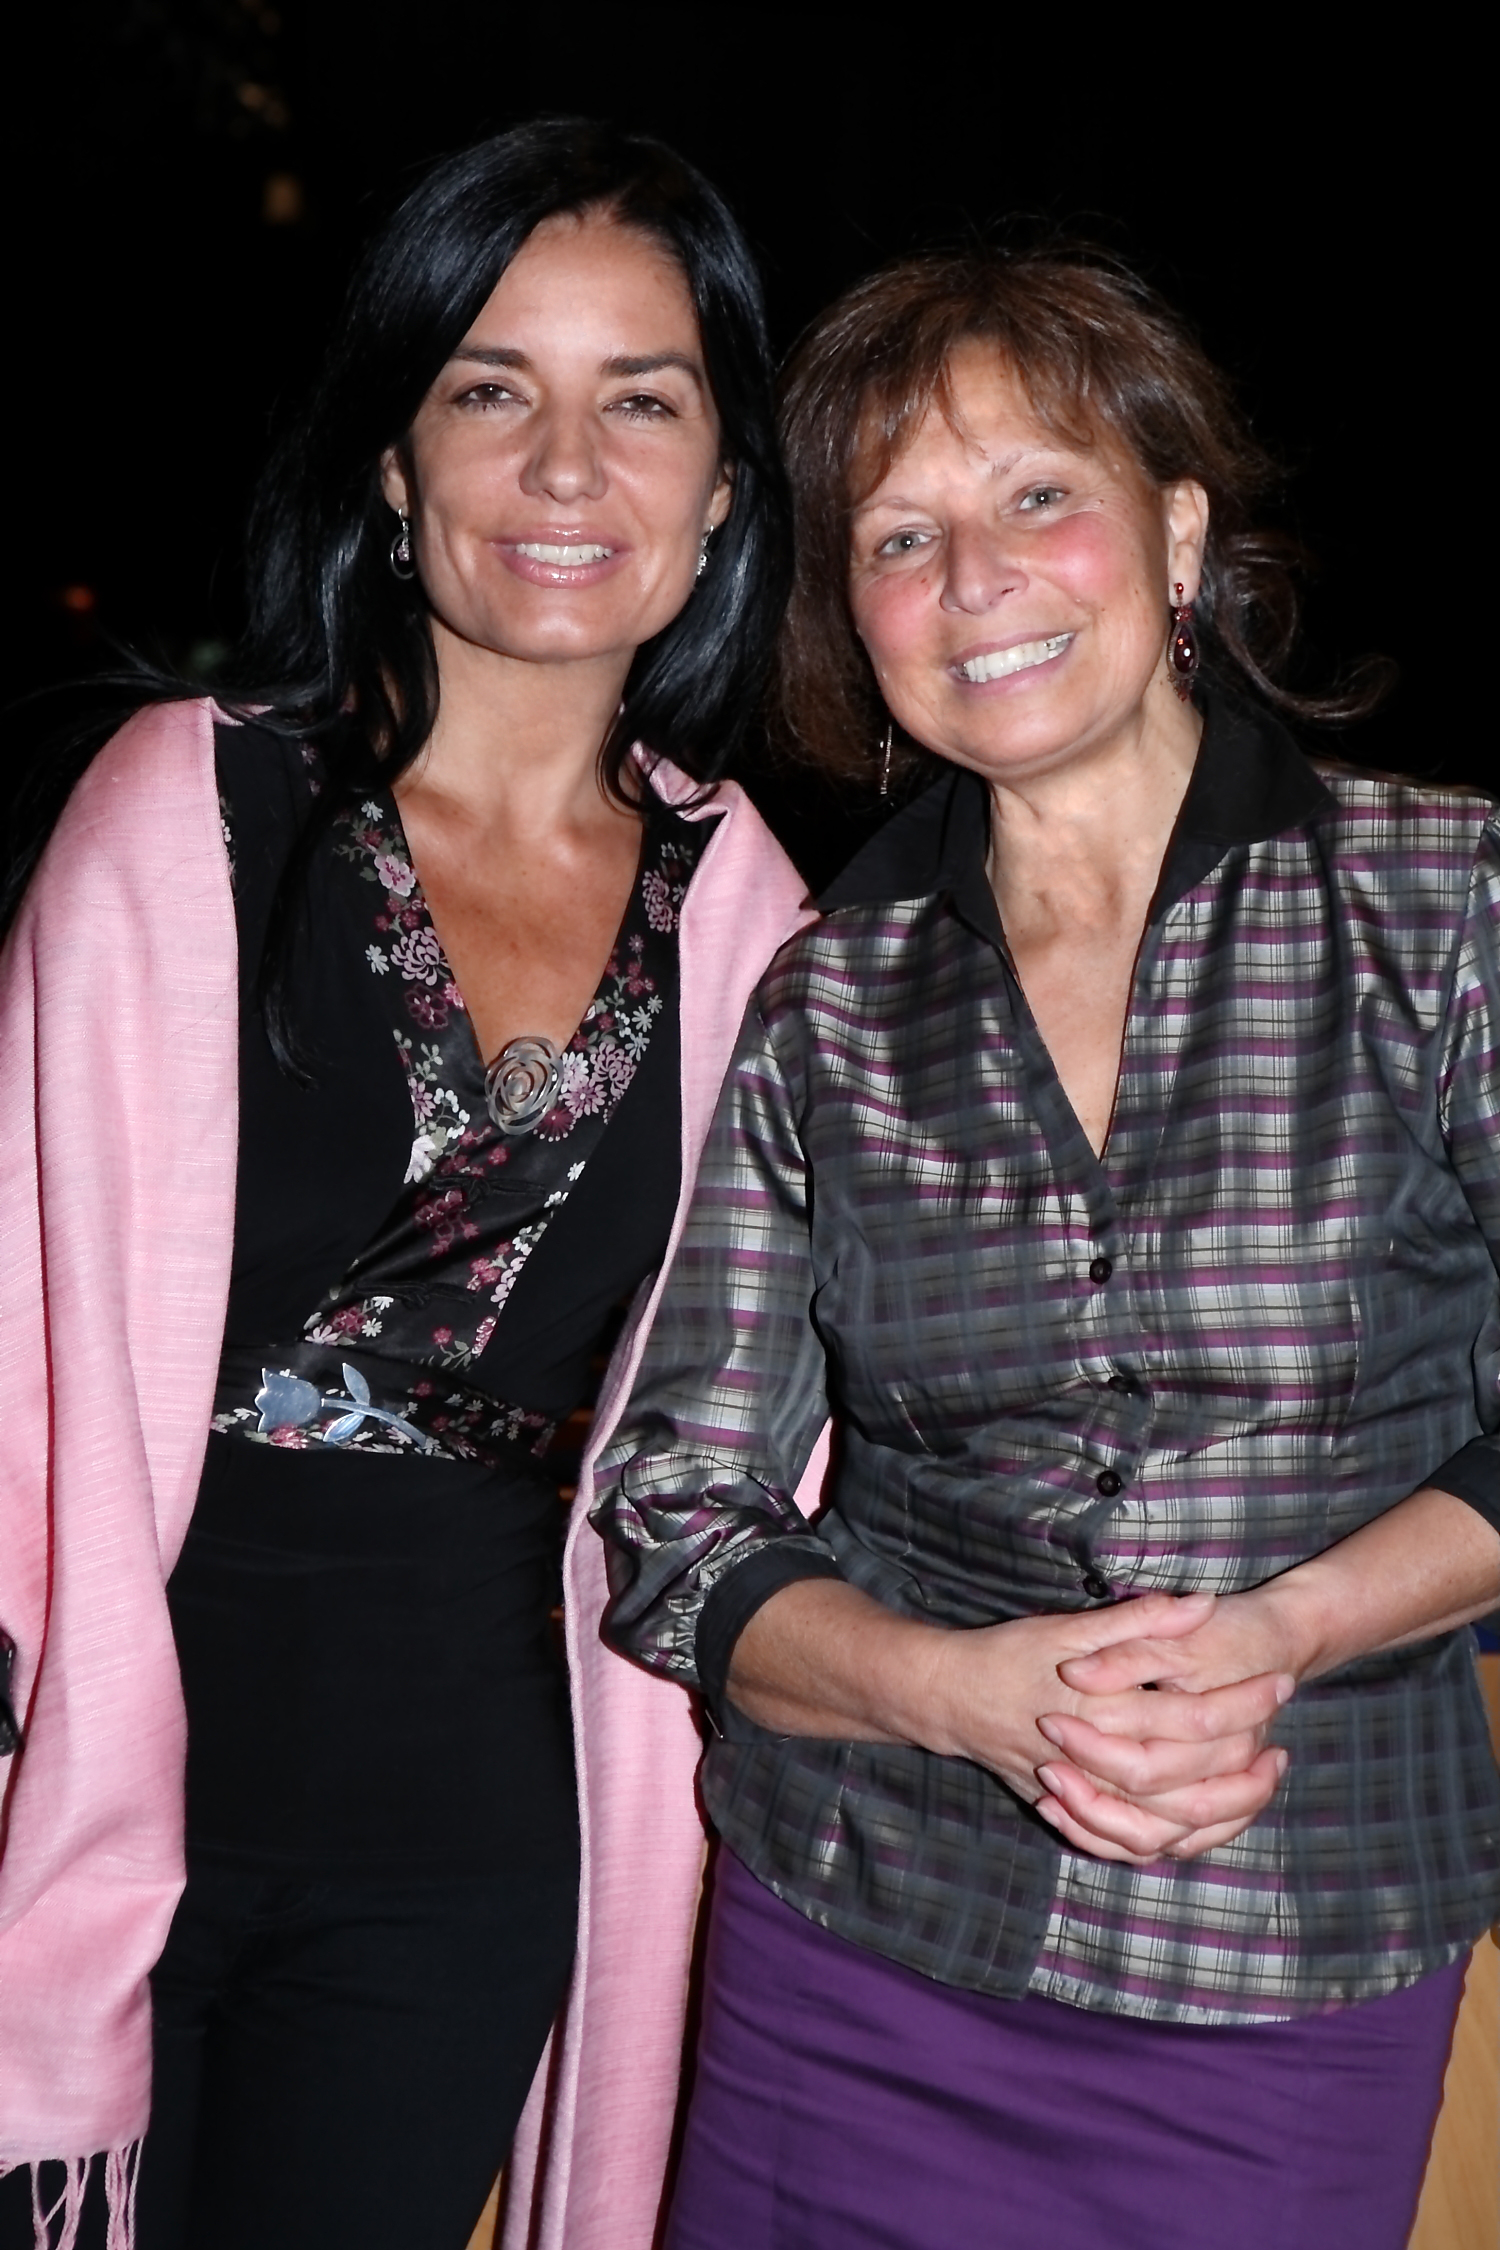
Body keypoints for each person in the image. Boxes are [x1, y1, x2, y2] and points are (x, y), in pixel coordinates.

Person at [591, 247, 1500, 2250]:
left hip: (1293, 1956)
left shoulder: (1441, 903)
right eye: (902, 536)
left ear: (1174, 533)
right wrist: (958, 1693)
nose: (975, 578)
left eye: (1035, 496)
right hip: (852, 1945)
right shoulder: (828, 1002)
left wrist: (1288, 1627)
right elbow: (676, 1518)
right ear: (855, 616)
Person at [0, 119, 815, 2250]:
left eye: (643, 402)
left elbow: (767, 1439)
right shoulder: (183, 813)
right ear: (391, 457)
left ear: (725, 490)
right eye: (489, 387)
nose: (566, 468)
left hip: (465, 1853)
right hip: (76, 1789)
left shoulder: (761, 930)